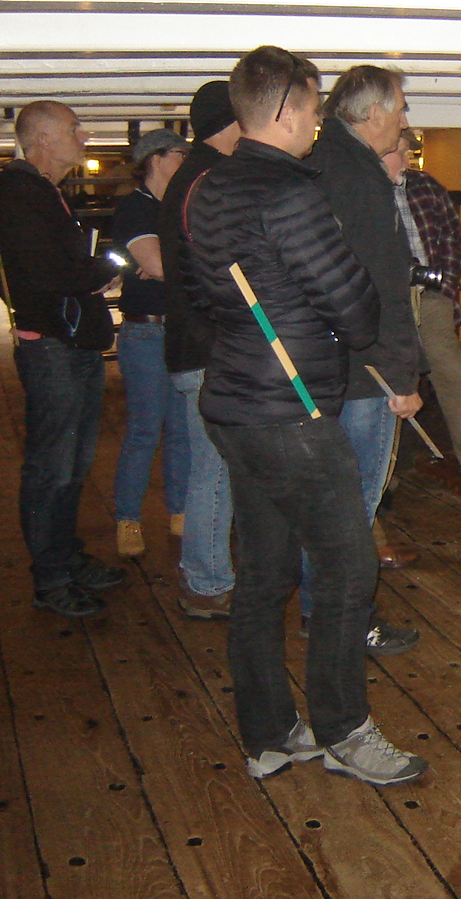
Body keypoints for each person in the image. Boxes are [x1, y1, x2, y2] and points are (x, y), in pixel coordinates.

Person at [184, 44, 425, 785]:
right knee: (348, 569)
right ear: (285, 109)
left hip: (234, 401)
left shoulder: (211, 186)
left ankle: (269, 734)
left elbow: (206, 296)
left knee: (263, 572)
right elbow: (354, 309)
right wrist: (336, 319)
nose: (318, 120)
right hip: (289, 409)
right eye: (315, 107)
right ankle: (345, 730)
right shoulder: (291, 190)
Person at [303, 64, 426, 655]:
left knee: (327, 506)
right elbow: (380, 289)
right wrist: (400, 377)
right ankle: (347, 623)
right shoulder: (362, 178)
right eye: (399, 109)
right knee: (354, 513)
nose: (405, 120)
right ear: (372, 113)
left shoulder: (316, 165)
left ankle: (320, 615)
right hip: (363, 374)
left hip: (321, 367)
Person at [0, 100, 126, 618]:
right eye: (75, 129)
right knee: (53, 467)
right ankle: (50, 579)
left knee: (71, 465)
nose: (85, 136)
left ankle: (65, 558)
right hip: (53, 346)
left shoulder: (40, 193)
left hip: (67, 344)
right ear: (44, 139)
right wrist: (107, 267)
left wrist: (90, 267)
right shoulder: (19, 194)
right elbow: (50, 273)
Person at [382, 130, 461, 493]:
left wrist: (445, 289)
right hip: (385, 302)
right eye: (401, 153)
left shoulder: (426, 187)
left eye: (409, 153)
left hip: (429, 297)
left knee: (454, 376)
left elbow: (452, 239)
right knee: (386, 387)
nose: (408, 161)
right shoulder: (364, 189)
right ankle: (383, 480)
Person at [158, 80, 242, 619]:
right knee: (215, 469)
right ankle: (208, 582)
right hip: (209, 350)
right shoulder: (211, 179)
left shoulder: (192, 177)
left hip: (196, 347)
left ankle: (207, 574)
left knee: (211, 466)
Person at [112, 128, 192, 561]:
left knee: (181, 431)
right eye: (182, 153)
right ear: (157, 159)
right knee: (145, 431)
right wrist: (171, 261)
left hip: (179, 329)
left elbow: (168, 263)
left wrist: (168, 261)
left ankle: (179, 513)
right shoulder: (134, 208)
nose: (188, 160)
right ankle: (128, 519)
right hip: (145, 333)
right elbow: (158, 265)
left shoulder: (181, 207)